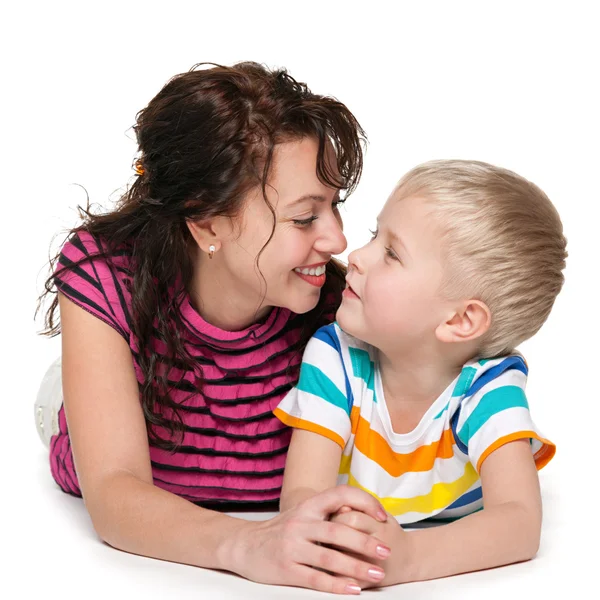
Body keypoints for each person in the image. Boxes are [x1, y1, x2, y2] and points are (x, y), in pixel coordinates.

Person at [34, 61, 393, 596]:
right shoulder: (104, 274)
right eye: (303, 218)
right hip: (104, 397)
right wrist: (248, 545)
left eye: (334, 208)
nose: (338, 240)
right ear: (206, 222)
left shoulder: (336, 312)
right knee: (75, 391)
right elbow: (112, 494)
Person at [276, 159, 567, 589]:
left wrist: (409, 558)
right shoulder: (335, 356)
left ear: (461, 320)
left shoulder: (488, 388)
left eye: (391, 253)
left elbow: (520, 523)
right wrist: (333, 537)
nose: (355, 256)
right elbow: (300, 496)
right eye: (376, 236)